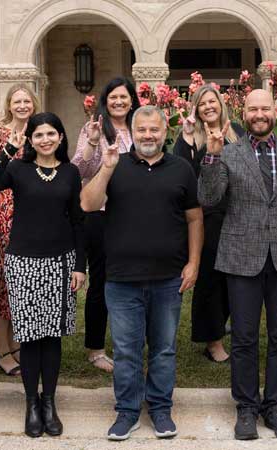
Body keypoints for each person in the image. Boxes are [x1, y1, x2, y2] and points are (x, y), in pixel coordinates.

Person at [81, 105, 202, 441]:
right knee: (126, 349)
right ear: (131, 133)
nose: (148, 135)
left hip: (168, 279)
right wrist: (105, 170)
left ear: (165, 132)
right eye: (142, 130)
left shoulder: (181, 169)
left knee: (163, 348)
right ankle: (127, 411)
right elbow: (88, 204)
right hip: (121, 279)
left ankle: (161, 408)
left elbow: (195, 218)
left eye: (154, 130)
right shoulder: (114, 164)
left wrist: (193, 263)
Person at [199, 89, 277, 440]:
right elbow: (209, 199)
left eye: (265, 108)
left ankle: (276, 406)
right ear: (243, 112)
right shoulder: (228, 153)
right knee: (245, 338)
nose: (259, 114)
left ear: (275, 112)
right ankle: (246, 407)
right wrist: (212, 158)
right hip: (241, 257)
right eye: (253, 109)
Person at [0, 112, 86, 438]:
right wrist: (9, 148)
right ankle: (30, 403)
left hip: (61, 262)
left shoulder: (70, 172)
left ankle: (49, 402)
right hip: (23, 262)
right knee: (29, 336)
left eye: (51, 134)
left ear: (60, 137)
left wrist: (80, 266)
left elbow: (78, 221)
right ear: (31, 139)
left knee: (51, 336)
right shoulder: (18, 168)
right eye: (38, 135)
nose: (45, 140)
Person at [172, 84, 244, 363]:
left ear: (221, 104)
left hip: (237, 212)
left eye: (212, 101)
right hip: (208, 215)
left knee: (235, 276)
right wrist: (188, 137)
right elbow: (182, 173)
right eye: (202, 104)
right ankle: (212, 340)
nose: (208, 107)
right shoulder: (192, 135)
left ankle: (227, 325)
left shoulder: (236, 130)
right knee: (211, 279)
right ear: (196, 109)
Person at [72, 77, 139, 373]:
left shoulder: (140, 127)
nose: (119, 102)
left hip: (133, 214)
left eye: (124, 97)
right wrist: (94, 142)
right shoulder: (93, 128)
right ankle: (96, 348)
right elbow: (80, 169)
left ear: (132, 100)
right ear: (105, 100)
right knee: (101, 279)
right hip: (100, 212)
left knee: (132, 278)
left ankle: (131, 341)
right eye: (113, 97)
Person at [0, 83, 40, 376]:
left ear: (34, 103)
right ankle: (3, 350)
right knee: (2, 286)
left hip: (32, 211)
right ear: (8, 104)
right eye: (16, 101)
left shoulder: (41, 131)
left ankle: (18, 346)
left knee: (22, 285)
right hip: (3, 212)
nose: (22, 105)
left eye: (26, 100)